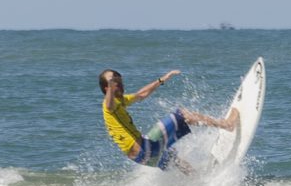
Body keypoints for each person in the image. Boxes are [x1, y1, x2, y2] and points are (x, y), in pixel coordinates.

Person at [99, 69, 239, 172]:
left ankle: (198, 181)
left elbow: (141, 94)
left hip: (142, 158)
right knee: (182, 114)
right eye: (115, 82)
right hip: (144, 149)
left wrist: (162, 79)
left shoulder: (121, 100)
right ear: (108, 88)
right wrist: (111, 85)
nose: (120, 84)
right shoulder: (108, 105)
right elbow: (109, 104)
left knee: (173, 157)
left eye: (119, 80)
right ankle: (227, 124)